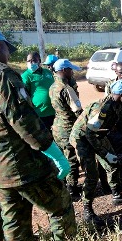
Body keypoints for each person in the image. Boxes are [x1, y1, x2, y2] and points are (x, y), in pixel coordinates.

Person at [0, 28, 76, 241]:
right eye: (7, 49)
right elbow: (24, 121)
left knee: (15, 220)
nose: (8, 55)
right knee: (60, 205)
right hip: (21, 165)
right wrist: (55, 153)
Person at [70, 80, 122, 206]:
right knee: (92, 175)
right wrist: (105, 154)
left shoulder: (121, 107)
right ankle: (87, 209)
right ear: (121, 95)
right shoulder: (102, 109)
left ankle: (117, 196)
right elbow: (89, 134)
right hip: (82, 138)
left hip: (98, 135)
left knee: (113, 165)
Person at [49, 59, 83, 198]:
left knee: (60, 159)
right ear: (63, 70)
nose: (72, 72)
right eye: (70, 69)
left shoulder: (53, 86)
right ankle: (72, 189)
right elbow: (77, 111)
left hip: (57, 127)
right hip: (68, 129)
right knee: (71, 160)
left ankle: (61, 185)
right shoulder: (66, 89)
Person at [21, 51, 55, 131]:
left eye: (33, 60)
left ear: (39, 61)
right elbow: (24, 95)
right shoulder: (26, 76)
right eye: (28, 61)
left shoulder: (48, 72)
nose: (31, 63)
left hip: (54, 111)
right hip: (39, 113)